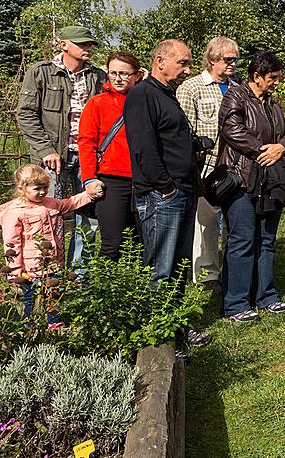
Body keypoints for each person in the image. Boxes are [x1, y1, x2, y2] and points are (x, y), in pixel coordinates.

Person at [124, 39, 211, 351]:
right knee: (161, 269)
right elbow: (143, 149)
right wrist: (166, 187)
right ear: (159, 61)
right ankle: (159, 340)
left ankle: (177, 329)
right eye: (183, 63)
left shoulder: (168, 95)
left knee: (178, 268)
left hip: (182, 191)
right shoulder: (142, 95)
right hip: (162, 196)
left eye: (188, 64)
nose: (187, 70)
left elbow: (170, 139)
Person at [16, 25, 107, 271]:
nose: (88, 48)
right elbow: (25, 114)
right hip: (52, 159)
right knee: (48, 216)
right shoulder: (41, 72)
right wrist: (46, 149)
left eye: (89, 44)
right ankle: (47, 274)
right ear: (64, 45)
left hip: (89, 157)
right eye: (82, 44)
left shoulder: (98, 76)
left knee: (89, 216)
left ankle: (79, 276)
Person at [216, 52, 285, 322]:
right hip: (241, 178)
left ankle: (266, 295)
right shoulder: (236, 96)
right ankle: (236, 303)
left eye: (278, 78)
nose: (276, 83)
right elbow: (231, 129)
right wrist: (263, 150)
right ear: (256, 76)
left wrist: (281, 147)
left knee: (266, 239)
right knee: (242, 240)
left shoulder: (273, 104)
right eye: (272, 78)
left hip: (270, 180)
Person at [0, 164, 101, 328]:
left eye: (45, 187)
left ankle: (54, 323)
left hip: (52, 263)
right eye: (37, 188)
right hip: (29, 268)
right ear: (22, 188)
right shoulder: (15, 212)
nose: (42, 192)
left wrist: (88, 195)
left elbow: (69, 203)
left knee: (54, 293)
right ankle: (31, 325)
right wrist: (15, 269)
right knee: (30, 296)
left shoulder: (50, 203)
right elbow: (11, 242)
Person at [177, 36, 240, 294]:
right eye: (228, 60)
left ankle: (231, 269)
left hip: (235, 164)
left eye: (235, 59)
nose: (232, 64)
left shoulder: (237, 88)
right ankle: (207, 275)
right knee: (206, 222)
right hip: (207, 165)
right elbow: (185, 128)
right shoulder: (192, 88)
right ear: (212, 59)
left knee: (233, 219)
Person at [77, 51, 143, 261]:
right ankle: (103, 291)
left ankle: (135, 292)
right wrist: (89, 178)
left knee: (139, 244)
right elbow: (86, 143)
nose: (117, 78)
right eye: (113, 73)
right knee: (112, 243)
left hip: (142, 180)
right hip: (111, 180)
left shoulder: (145, 102)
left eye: (124, 73)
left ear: (137, 75)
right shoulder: (97, 103)